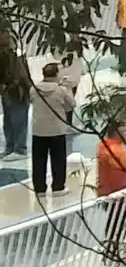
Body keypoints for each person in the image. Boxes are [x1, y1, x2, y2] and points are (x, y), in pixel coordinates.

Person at [29, 62, 75, 195]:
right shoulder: (61, 90)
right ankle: (58, 187)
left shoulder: (34, 89)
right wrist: (68, 88)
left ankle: (39, 189)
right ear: (56, 74)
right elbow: (72, 105)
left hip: (38, 130)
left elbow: (32, 101)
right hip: (57, 129)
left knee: (38, 161)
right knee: (58, 159)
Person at [0, 24, 29, 161]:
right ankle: (10, 147)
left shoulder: (16, 55)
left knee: (18, 119)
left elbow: (22, 75)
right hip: (6, 90)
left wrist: (14, 84)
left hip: (18, 91)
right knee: (8, 121)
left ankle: (20, 149)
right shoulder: (4, 55)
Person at [94, 117, 126, 197]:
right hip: (119, 196)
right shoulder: (116, 150)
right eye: (124, 131)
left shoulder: (103, 146)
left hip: (105, 195)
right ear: (117, 132)